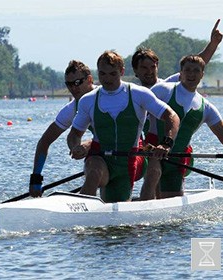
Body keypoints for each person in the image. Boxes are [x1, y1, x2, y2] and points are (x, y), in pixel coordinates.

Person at [67, 51, 180, 203]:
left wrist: (166, 143)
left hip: (129, 161)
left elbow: (172, 116)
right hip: (100, 158)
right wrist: (75, 147)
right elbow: (74, 134)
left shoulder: (139, 94)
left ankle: (146, 201)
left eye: (112, 74)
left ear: (121, 71)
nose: (107, 79)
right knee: (93, 170)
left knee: (119, 213)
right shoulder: (88, 100)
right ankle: (79, 213)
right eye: (102, 74)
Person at [140, 55, 223, 200]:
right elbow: (137, 114)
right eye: (187, 70)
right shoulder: (162, 90)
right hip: (152, 152)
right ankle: (144, 206)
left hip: (177, 160)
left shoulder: (207, 108)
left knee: (172, 216)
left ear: (202, 75)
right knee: (153, 171)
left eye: (196, 70)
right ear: (181, 73)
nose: (191, 74)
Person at [29, 60, 96, 197]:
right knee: (92, 163)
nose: (73, 88)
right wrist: (36, 179)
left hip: (133, 150)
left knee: (93, 163)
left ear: (89, 80)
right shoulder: (71, 109)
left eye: (77, 82)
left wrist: (89, 145)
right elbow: (45, 141)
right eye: (69, 84)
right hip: (105, 155)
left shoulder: (105, 96)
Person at [131, 19, 223, 88]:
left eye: (152, 67)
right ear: (135, 70)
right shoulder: (132, 93)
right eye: (144, 68)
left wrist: (213, 44)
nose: (149, 71)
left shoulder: (168, 85)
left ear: (157, 66)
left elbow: (197, 62)